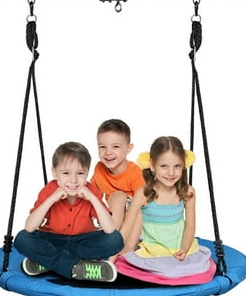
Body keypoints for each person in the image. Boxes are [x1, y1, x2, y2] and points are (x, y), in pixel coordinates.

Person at [13, 141, 123, 282]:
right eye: (66, 173)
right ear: (54, 172)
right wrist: (52, 199)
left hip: (82, 242)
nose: (73, 180)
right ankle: (77, 268)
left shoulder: (91, 191)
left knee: (115, 240)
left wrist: (92, 198)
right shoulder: (49, 191)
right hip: (53, 240)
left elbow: (110, 229)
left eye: (80, 173)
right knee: (22, 238)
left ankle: (48, 263)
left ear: (87, 173)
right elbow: (30, 227)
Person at [115, 136, 216, 283]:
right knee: (164, 269)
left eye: (177, 166)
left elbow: (190, 226)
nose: (171, 173)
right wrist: (114, 251)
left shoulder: (188, 192)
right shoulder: (144, 193)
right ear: (152, 165)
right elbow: (127, 226)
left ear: (184, 165)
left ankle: (173, 268)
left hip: (179, 244)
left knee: (198, 267)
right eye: (164, 166)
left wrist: (185, 248)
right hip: (154, 247)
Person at [91, 119, 144, 231]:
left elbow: (144, 204)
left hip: (135, 220)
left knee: (118, 196)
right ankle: (109, 231)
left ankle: (112, 236)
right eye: (102, 147)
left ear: (128, 148)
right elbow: (92, 194)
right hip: (113, 217)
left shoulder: (136, 173)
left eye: (115, 147)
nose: (108, 152)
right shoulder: (99, 169)